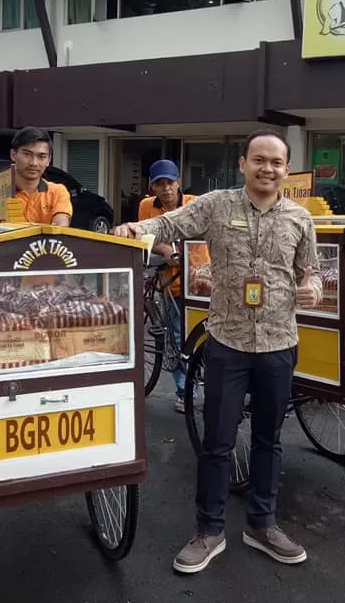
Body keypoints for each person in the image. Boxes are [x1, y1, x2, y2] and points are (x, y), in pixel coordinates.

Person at [113, 130, 323, 574]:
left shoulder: (299, 218)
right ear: (243, 164)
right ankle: (209, 531)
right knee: (217, 442)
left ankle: (262, 524)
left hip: (279, 344)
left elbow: (313, 270)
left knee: (269, 440)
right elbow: (170, 224)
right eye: (259, 160)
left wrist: (314, 288)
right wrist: (136, 227)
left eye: (277, 162)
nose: (268, 169)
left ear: (286, 169)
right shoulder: (217, 205)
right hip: (226, 342)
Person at [137, 159, 197, 413]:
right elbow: (146, 235)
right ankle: (183, 391)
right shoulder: (146, 206)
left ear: (178, 183)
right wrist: (166, 249)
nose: (166, 189)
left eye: (170, 183)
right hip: (170, 282)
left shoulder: (194, 203)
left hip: (198, 281)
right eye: (159, 184)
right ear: (152, 187)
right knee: (175, 336)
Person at [0, 127, 72, 227]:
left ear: (49, 160)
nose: (34, 163)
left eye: (41, 157)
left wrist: (59, 226)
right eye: (27, 154)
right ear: (13, 154)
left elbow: (60, 226)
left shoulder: (57, 192)